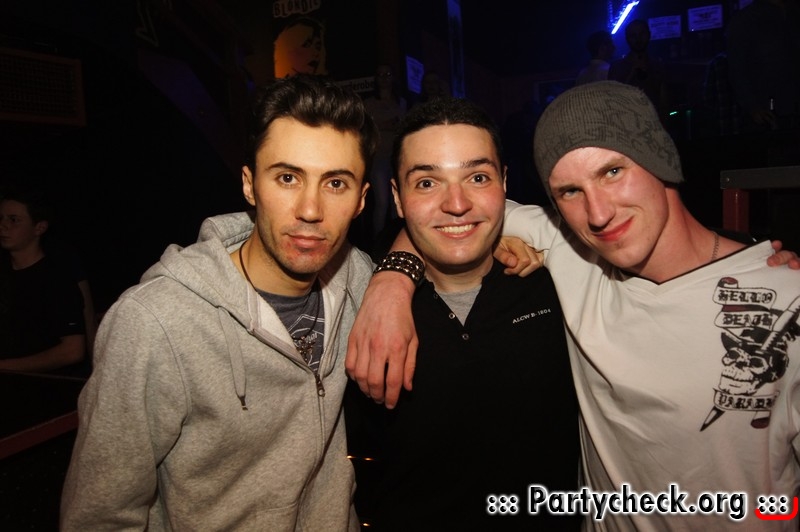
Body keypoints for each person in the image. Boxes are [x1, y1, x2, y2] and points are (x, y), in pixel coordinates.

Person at [346, 82, 800, 529]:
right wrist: (391, 281)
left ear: (661, 159)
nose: (598, 213)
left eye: (612, 171)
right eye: (568, 191)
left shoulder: (786, 299)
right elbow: (440, 219)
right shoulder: (570, 251)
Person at [61, 74, 378, 531]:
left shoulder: (360, 281)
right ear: (249, 185)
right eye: (287, 178)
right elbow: (99, 517)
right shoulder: (156, 322)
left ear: (362, 200)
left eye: (336, 184)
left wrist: (401, 276)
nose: (310, 210)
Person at [349, 97, 580, 530]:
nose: (456, 203)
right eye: (426, 183)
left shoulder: (561, 285)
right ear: (397, 198)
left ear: (504, 183)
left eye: (477, 177)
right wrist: (389, 281)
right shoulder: (359, 304)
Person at [0, 185, 87, 375]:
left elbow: (73, 350)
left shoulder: (56, 278)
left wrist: (5, 367)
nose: (3, 225)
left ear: (39, 227)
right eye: (1, 218)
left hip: (40, 387)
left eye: (13, 220)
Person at [725, 0, 800, 131]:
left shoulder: (792, 14)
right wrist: (752, 106)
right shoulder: (746, 19)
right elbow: (736, 69)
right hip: (768, 110)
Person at [362, 64, 407, 245]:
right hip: (378, 158)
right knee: (382, 202)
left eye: (387, 74)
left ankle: (398, 242)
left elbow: (404, 126)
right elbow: (365, 129)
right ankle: (378, 244)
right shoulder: (369, 103)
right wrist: (387, 124)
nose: (384, 78)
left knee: (397, 203)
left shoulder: (401, 102)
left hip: (397, 158)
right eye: (380, 74)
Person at [608, 19, 668, 118]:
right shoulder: (617, 67)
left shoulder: (658, 64)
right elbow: (613, 101)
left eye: (642, 34)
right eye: (633, 36)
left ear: (648, 35)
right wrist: (632, 73)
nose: (638, 39)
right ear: (627, 39)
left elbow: (664, 102)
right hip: (627, 122)